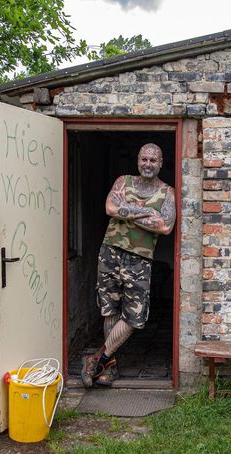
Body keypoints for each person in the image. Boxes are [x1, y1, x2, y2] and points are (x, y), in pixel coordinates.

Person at [82, 143, 176, 387]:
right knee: (110, 309)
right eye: (144, 159)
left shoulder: (167, 192)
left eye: (153, 160)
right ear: (138, 160)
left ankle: (96, 358)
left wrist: (126, 213)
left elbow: (165, 226)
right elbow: (110, 207)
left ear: (160, 163)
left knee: (135, 316)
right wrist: (144, 213)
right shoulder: (123, 181)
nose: (147, 164)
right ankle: (107, 368)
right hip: (110, 251)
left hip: (140, 259)